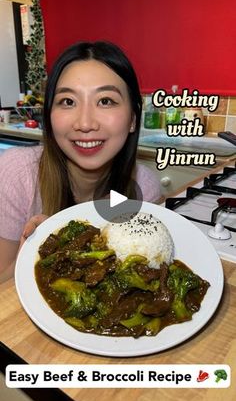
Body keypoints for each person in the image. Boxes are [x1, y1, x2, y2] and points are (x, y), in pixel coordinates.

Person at [0, 40, 162, 282]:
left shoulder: (144, 188)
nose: (85, 123)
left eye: (106, 101)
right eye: (68, 102)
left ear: (133, 120)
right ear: (49, 115)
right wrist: (30, 257)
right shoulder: (16, 173)